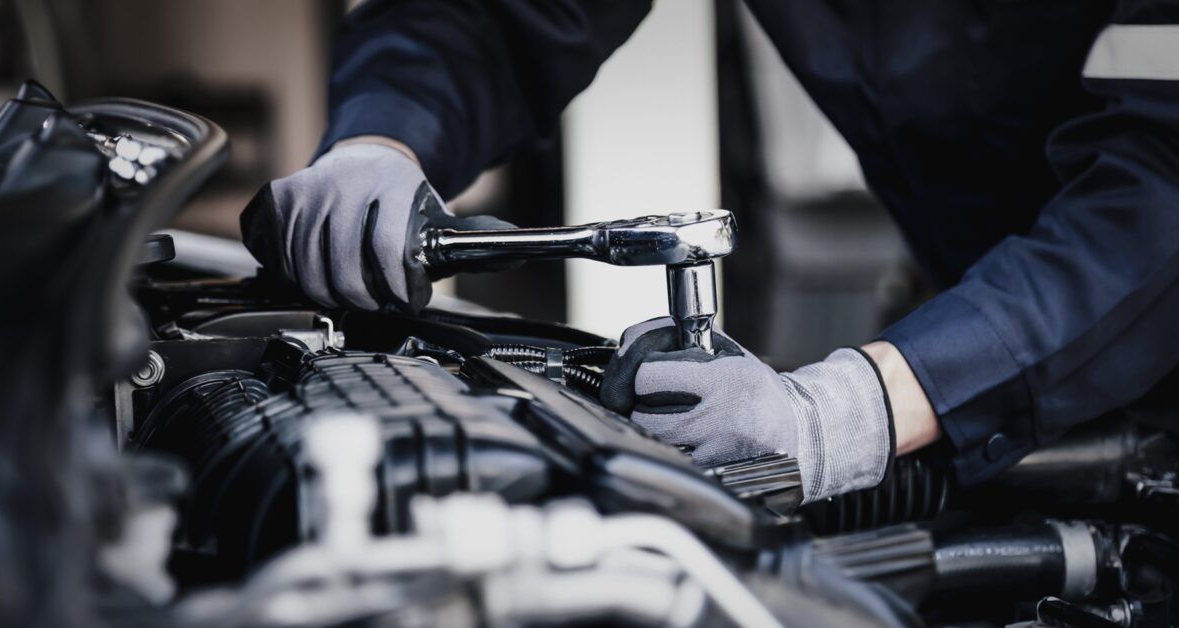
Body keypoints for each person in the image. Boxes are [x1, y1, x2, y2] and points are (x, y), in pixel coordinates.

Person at [241, 2, 1179, 504]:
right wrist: (384, 138)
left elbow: (1165, 182)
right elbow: (495, 15)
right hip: (985, 323)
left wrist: (862, 408)